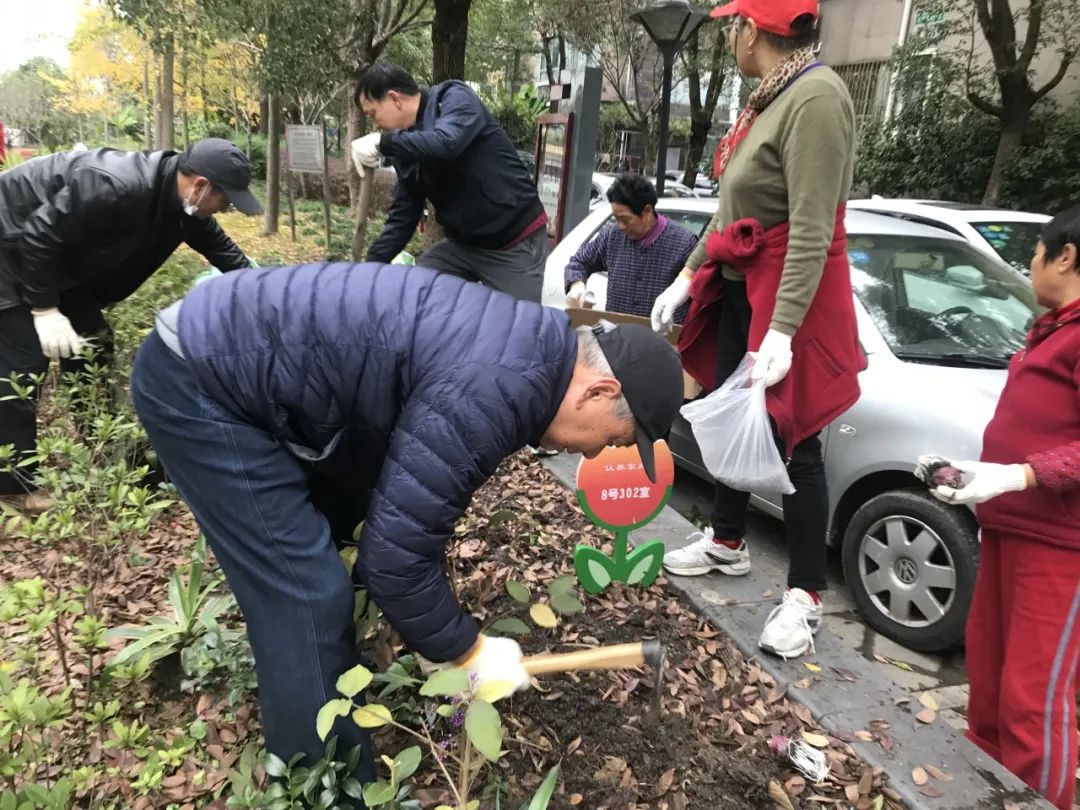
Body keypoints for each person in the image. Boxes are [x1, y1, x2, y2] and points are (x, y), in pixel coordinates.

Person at [130, 261, 683, 781]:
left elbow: (407, 511)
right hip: (201, 379)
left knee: (348, 522)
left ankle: (330, 682)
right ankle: (323, 785)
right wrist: (468, 652)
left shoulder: (530, 355)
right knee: (304, 595)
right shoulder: (496, 384)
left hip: (251, 365)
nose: (591, 458)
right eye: (610, 441)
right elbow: (395, 560)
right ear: (599, 391)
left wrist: (430, 631)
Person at [654, 0, 863, 660]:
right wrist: (686, 277)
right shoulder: (767, 98)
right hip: (743, 288)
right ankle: (727, 540)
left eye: (734, 26)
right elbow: (729, 214)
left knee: (794, 436)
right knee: (733, 416)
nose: (731, 39)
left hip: (786, 298)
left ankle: (804, 595)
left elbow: (811, 227)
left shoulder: (817, 97)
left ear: (755, 28)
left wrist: (784, 332)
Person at [917, 209, 1080, 810]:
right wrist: (980, 473)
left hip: (1060, 547)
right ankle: (986, 790)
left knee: (1033, 697)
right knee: (987, 683)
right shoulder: (1053, 328)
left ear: (1065, 255)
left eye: (1036, 251)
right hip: (1009, 527)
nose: (1030, 263)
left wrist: (1021, 473)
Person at [0, 138, 260, 510]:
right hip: (11, 248)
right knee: (22, 363)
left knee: (93, 341)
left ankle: (103, 445)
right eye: (226, 199)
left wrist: (269, 296)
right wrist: (44, 311)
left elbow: (224, 252)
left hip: (56, 263)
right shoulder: (114, 185)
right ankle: (12, 487)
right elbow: (38, 235)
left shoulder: (181, 204)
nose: (227, 207)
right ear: (201, 186)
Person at [350, 63, 548, 302]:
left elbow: (447, 143)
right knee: (416, 296)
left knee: (521, 328)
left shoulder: (452, 98)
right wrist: (368, 269)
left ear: (394, 98)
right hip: (462, 246)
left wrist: (382, 143)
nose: (375, 124)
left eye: (373, 113)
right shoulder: (404, 147)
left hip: (513, 242)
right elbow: (404, 215)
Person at [564, 174, 698, 322]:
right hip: (618, 337)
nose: (620, 226)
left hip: (663, 339)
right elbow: (579, 262)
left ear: (647, 212)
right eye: (616, 219)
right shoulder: (611, 236)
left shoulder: (684, 244)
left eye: (626, 220)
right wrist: (576, 285)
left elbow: (702, 293)